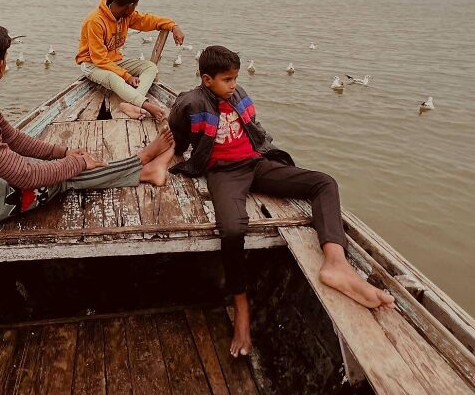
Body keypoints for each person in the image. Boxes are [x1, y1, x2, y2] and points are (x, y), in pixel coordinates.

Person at [167, 45, 395, 357]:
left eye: (235, 78)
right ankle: (241, 307)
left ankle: (336, 263)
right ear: (207, 80)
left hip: (255, 163)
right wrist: (169, 155)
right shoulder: (191, 102)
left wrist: (270, 157)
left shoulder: (238, 94)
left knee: (324, 183)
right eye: (227, 80)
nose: (234, 85)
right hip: (224, 173)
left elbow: (256, 130)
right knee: (232, 230)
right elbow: (177, 134)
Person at [0, 20, 174, 230]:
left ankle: (142, 168)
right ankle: (143, 165)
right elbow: (25, 176)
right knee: (63, 177)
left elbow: (13, 138)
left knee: (58, 166)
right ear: (0, 65)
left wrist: (62, 153)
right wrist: (78, 162)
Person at [76, 0, 185, 121]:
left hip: (115, 62)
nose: (135, 10)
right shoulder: (94, 21)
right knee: (113, 77)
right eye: (135, 6)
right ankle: (145, 105)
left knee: (151, 67)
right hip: (92, 64)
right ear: (130, 5)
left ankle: (131, 104)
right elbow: (99, 59)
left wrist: (173, 26)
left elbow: (149, 20)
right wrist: (126, 76)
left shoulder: (127, 16)